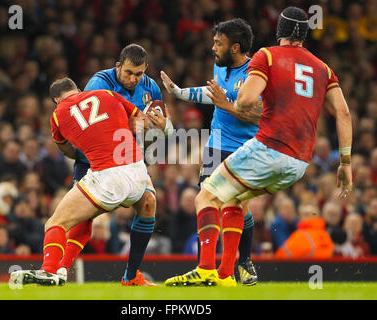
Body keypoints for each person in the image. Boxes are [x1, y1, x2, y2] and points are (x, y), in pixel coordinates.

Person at [165, 6, 353, 287]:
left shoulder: (266, 56)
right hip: (299, 163)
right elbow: (344, 114)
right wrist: (346, 163)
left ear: (280, 31)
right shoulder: (323, 69)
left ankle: (206, 269)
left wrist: (229, 102)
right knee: (235, 200)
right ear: (304, 34)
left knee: (204, 197)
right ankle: (228, 274)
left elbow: (245, 101)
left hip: (267, 148)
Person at [11, 77, 155, 286]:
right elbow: (141, 121)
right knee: (143, 208)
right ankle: (128, 274)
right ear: (78, 89)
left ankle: (49, 270)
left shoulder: (58, 115)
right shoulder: (107, 93)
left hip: (107, 176)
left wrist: (84, 149)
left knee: (56, 222)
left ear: (56, 101)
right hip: (137, 170)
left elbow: (65, 148)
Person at [55, 44, 173, 286]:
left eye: (139, 74)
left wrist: (163, 128)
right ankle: (60, 272)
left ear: (146, 70)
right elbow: (94, 131)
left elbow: (161, 132)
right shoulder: (99, 84)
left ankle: (131, 276)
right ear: (118, 66)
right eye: (128, 72)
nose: (133, 79)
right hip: (93, 163)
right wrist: (138, 125)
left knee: (149, 204)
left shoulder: (151, 89)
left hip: (128, 161)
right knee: (84, 219)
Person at [161, 18, 261, 285]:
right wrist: (180, 93)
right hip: (216, 145)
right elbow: (214, 93)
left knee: (233, 203)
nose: (213, 47)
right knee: (209, 199)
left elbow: (260, 116)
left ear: (236, 47)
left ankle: (225, 269)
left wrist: (226, 104)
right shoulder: (222, 67)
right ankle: (224, 271)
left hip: (244, 148)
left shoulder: (256, 74)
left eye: (219, 43)